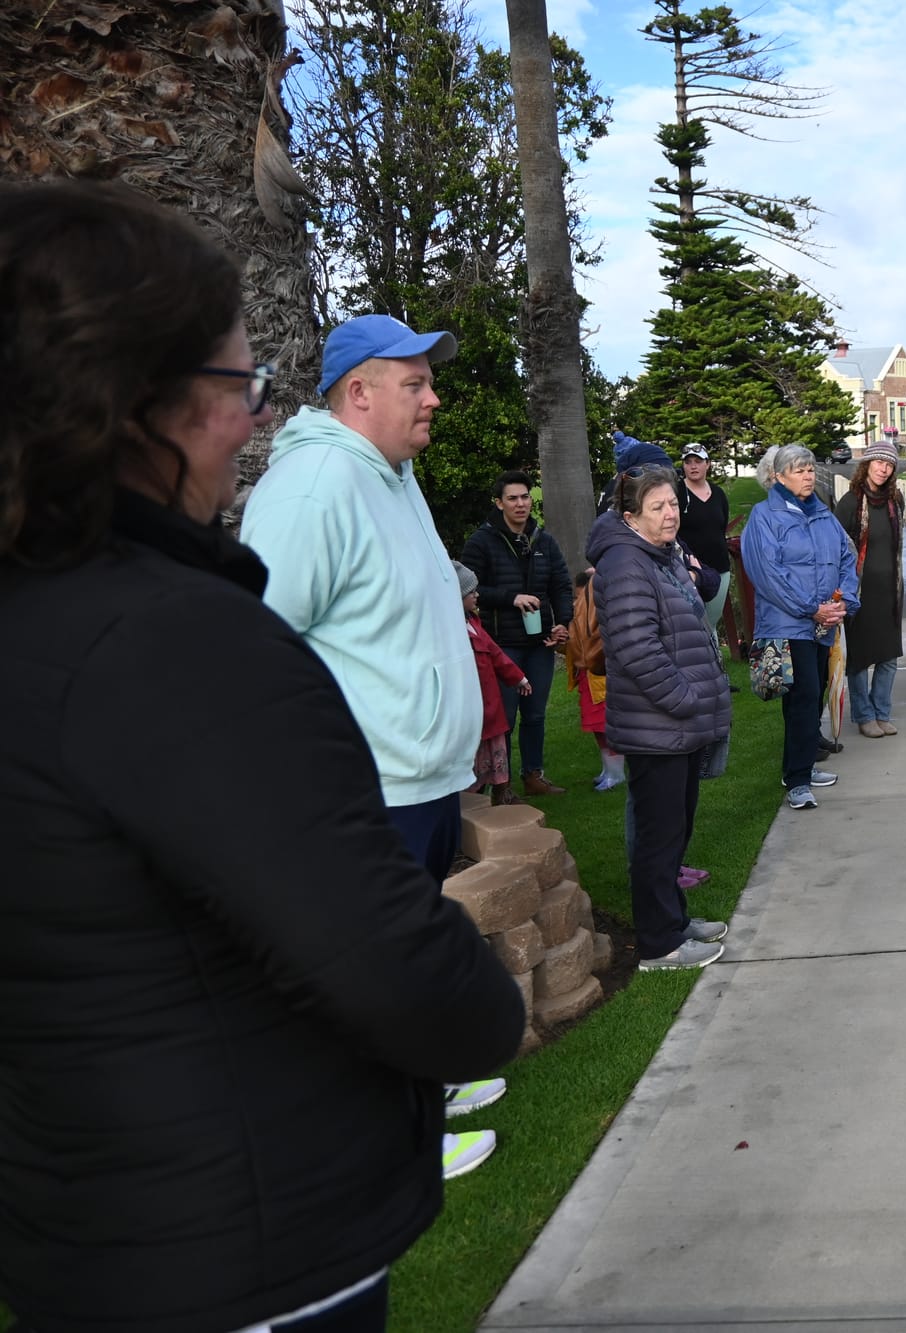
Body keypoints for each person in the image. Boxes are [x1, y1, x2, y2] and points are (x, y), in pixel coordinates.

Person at [0, 180, 523, 1333]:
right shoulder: (168, 636)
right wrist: (481, 1008)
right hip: (238, 1243)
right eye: (239, 387)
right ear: (140, 404)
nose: (250, 421)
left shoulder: (44, 605)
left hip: (111, 1227)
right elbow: (376, 954)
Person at [243, 306, 508, 1175]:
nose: (434, 398)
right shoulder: (317, 489)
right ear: (358, 392)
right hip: (367, 791)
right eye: (415, 382)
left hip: (420, 779)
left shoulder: (393, 475)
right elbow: (260, 651)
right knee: (375, 973)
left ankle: (422, 1089)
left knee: (409, 958)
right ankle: (397, 1137)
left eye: (429, 380)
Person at [586, 466, 733, 970]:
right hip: (659, 726)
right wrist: (685, 697)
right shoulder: (627, 563)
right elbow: (635, 648)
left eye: (673, 504)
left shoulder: (662, 555)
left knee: (674, 832)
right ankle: (658, 944)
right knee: (657, 838)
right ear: (629, 516)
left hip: (676, 726)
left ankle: (674, 921)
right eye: (658, 507)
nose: (670, 514)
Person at [740, 444, 859, 810]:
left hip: (822, 625)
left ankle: (802, 765)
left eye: (809, 469)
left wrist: (844, 602)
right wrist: (812, 609)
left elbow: (846, 556)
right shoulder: (764, 517)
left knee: (815, 691)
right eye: (798, 469)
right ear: (778, 476)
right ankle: (797, 780)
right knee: (803, 696)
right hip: (788, 626)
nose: (807, 475)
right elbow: (767, 575)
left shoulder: (823, 514)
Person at [460, 469, 574, 797]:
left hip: (540, 643)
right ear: (499, 503)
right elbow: (469, 589)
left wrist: (562, 623)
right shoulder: (481, 541)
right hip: (501, 643)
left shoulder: (543, 539)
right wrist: (512, 598)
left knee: (535, 713)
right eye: (512, 498)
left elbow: (561, 586)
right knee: (504, 718)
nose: (521, 504)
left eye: (525, 496)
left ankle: (533, 776)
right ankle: (501, 784)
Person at [834, 438, 906, 735]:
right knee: (861, 658)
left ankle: (882, 711)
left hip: (890, 590)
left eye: (889, 465)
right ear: (866, 465)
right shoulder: (851, 501)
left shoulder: (895, 500)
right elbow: (837, 548)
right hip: (861, 592)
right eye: (879, 463)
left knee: (888, 656)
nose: (883, 469)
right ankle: (864, 716)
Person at [456, 561, 533, 805]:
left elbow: (495, 653)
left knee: (496, 746)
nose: (477, 595)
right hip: (469, 705)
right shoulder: (452, 631)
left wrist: (518, 677)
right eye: (471, 592)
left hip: (490, 702)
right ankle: (472, 798)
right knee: (474, 752)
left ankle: (502, 791)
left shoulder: (475, 624)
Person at [564, 567, 625, 791]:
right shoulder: (578, 620)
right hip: (587, 684)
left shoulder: (604, 619)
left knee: (606, 728)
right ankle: (608, 769)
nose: (577, 603)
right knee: (597, 729)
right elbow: (574, 648)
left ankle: (616, 773)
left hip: (602, 686)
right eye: (576, 597)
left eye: (582, 598)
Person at [676, 442, 732, 633]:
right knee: (693, 623)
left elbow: (722, 526)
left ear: (707, 464)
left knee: (711, 623)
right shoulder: (676, 493)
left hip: (720, 568)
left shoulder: (718, 494)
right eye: (688, 462)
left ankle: (715, 662)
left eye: (698, 461)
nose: (693, 466)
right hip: (687, 570)